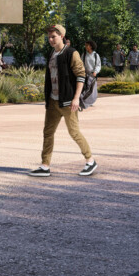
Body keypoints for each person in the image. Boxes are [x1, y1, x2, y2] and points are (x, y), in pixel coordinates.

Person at [28, 24, 97, 178]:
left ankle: (90, 160)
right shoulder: (52, 53)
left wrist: (76, 98)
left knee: (74, 132)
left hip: (68, 101)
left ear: (62, 36)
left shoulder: (72, 53)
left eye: (54, 37)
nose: (51, 40)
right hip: (53, 101)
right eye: (49, 37)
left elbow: (81, 76)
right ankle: (45, 166)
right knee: (48, 132)